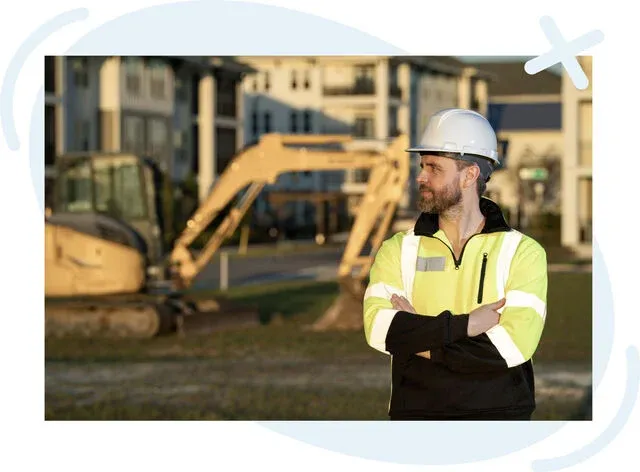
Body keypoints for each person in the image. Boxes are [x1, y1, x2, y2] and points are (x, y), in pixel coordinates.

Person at [363, 108, 548, 420]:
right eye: (422, 166)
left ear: (470, 175)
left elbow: (512, 347)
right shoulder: (397, 249)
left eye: (435, 168)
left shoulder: (523, 252)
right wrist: (467, 326)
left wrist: (422, 339)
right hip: (418, 421)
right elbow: (381, 330)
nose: (420, 176)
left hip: (499, 420)